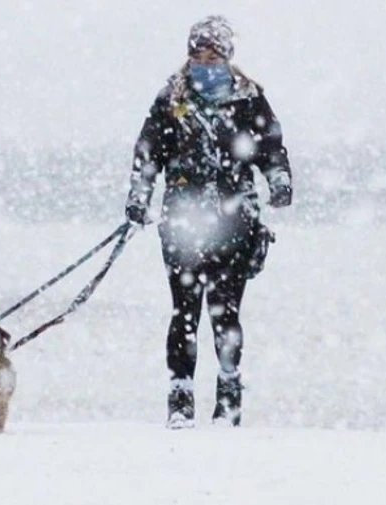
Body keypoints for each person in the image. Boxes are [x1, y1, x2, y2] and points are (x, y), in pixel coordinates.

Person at [124, 15, 292, 428]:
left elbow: (271, 147)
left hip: (236, 218)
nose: (204, 61)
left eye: (213, 55)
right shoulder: (170, 99)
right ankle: (180, 398)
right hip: (182, 219)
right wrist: (139, 195)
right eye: (197, 54)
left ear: (228, 56)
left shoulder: (250, 99)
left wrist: (279, 180)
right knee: (184, 311)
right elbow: (148, 152)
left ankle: (228, 399)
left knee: (225, 312)